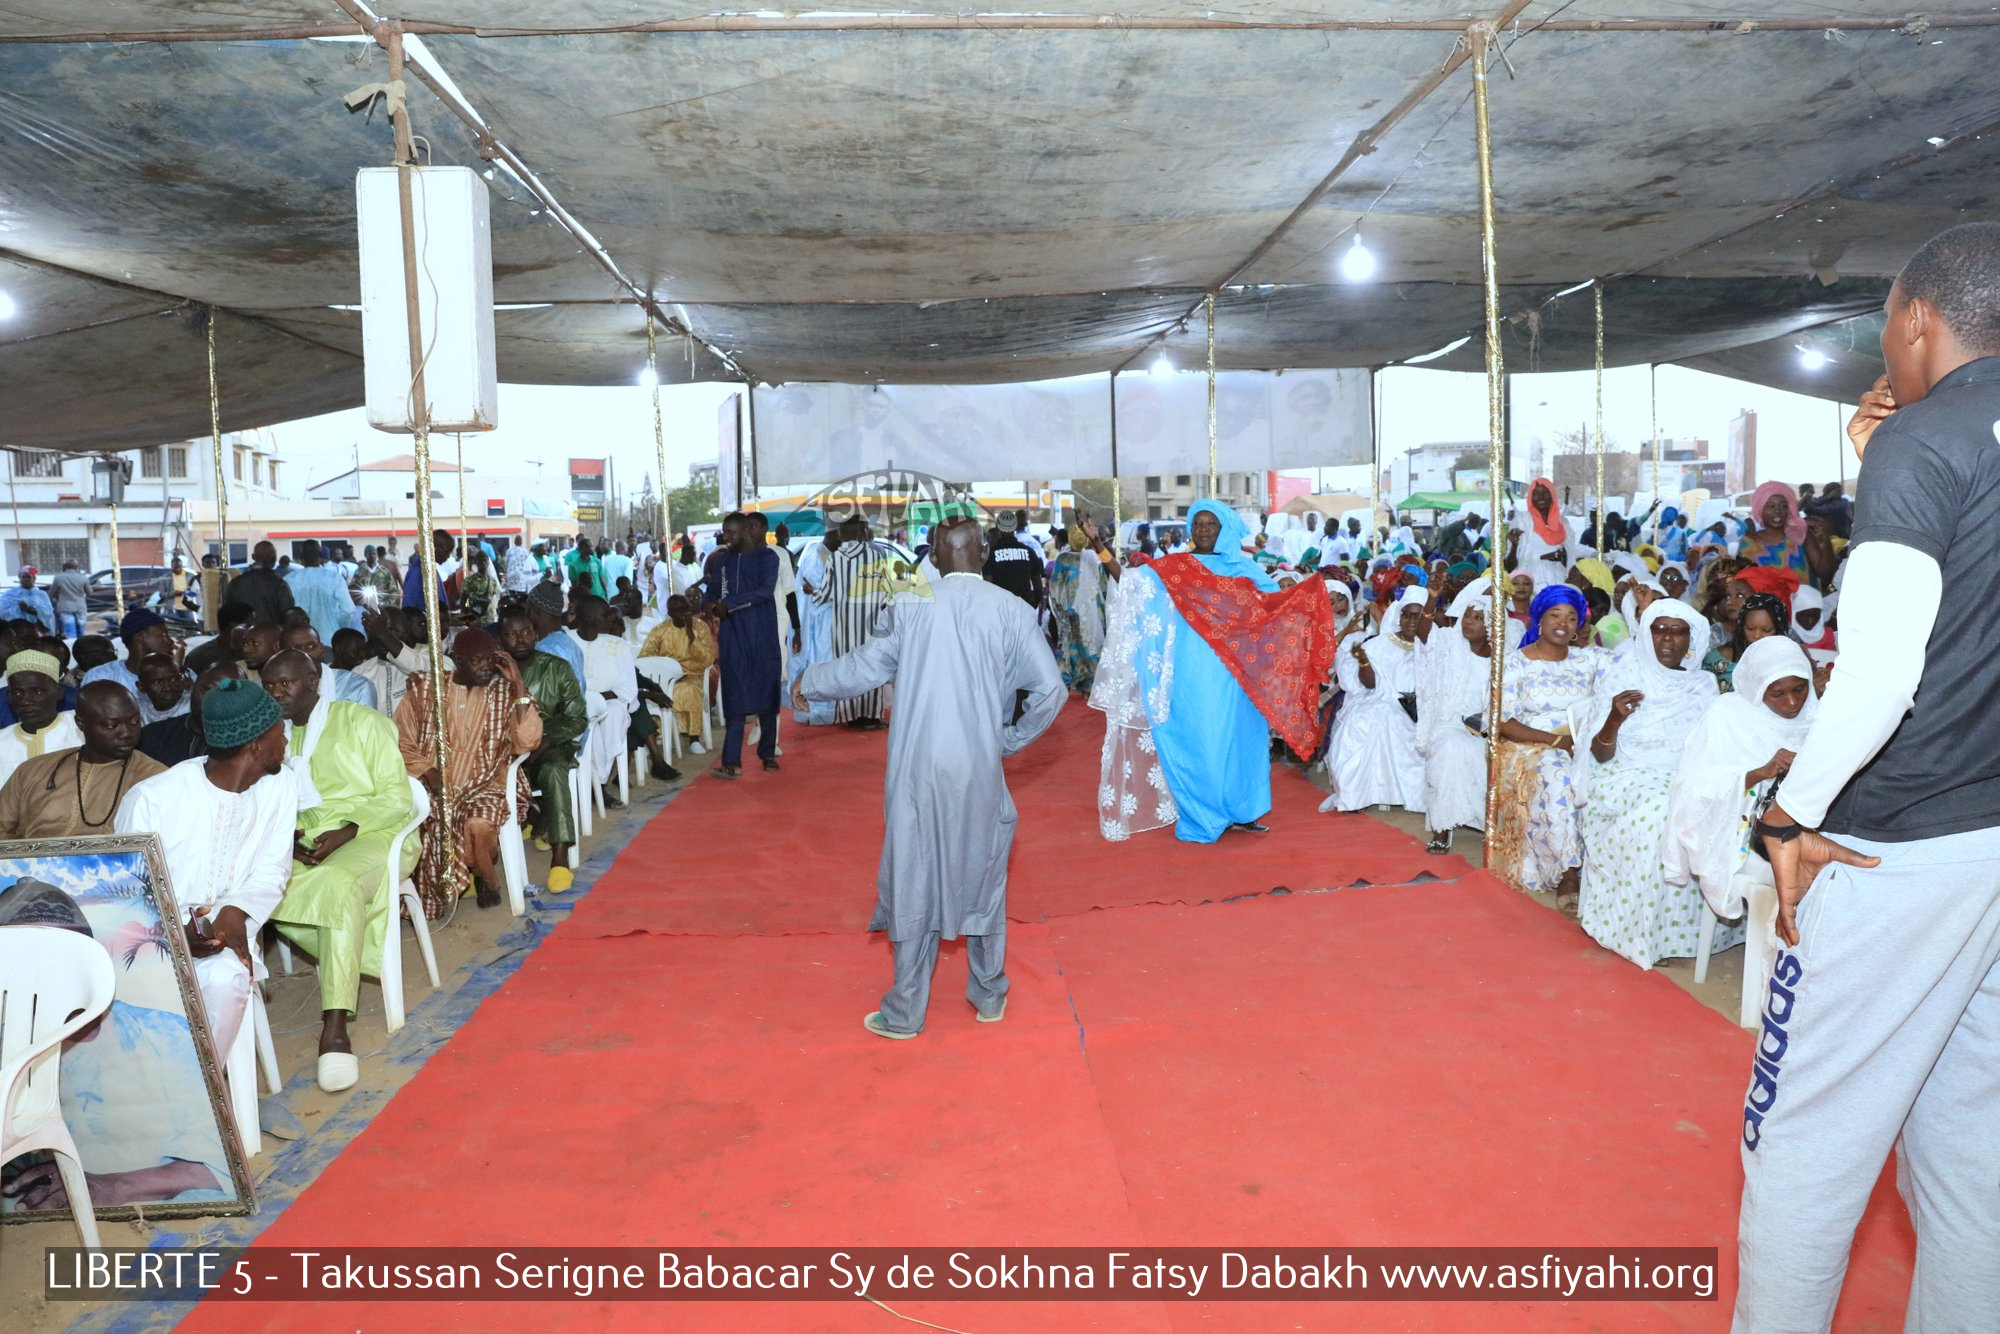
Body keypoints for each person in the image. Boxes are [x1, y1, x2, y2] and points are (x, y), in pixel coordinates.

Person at [1728, 223, 2000, 1330]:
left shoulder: (1922, 442)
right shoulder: (1930, 441)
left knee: (1800, 1141)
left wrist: (1784, 814)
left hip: (1899, 843)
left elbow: (1882, 672)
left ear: (1916, 319)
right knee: (1971, 1153)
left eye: (1885, 324)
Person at [793, 517, 1064, 1038]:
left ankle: (906, 1012)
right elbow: (1050, 693)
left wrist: (812, 680)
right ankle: (989, 995)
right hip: (977, 768)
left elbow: (866, 667)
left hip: (915, 768)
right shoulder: (1011, 610)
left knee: (912, 874)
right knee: (984, 875)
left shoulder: (910, 600)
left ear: (933, 559)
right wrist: (1006, 741)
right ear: (983, 555)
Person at [1091, 500, 1336, 843]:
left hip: (1236, 672)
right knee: (1200, 737)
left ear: (1223, 530)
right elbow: (1132, 585)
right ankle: (1203, 813)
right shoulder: (1175, 567)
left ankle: (1242, 811)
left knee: (1240, 741)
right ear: (1190, 529)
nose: (1204, 530)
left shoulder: (1246, 569)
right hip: (1191, 670)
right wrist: (1100, 548)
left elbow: (1272, 609)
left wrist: (1304, 596)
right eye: (1198, 524)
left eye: (1211, 524)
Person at [115, 678, 296, 1089]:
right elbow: (125, 901)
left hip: (228, 926)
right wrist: (174, 936)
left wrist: (234, 913)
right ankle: (181, 1094)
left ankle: (192, 1094)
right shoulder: (153, 800)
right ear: (255, 745)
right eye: (279, 733)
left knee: (227, 976)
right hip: (148, 941)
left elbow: (273, 870)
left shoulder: (281, 784)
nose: (286, 741)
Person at [259, 648, 417, 1093]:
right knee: (253, 886)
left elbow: (396, 797)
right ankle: (343, 957)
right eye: (268, 685)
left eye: (285, 684)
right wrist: (290, 838)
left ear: (313, 681)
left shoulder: (364, 723)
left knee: (339, 886)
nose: (276, 693)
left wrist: (347, 830)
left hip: (376, 834)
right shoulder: (271, 736)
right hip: (302, 839)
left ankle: (334, 1028)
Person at [1573, 598, 1724, 968]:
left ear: (1692, 638)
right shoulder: (1625, 677)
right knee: (1661, 813)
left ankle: (1693, 933)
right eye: (1660, 629)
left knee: (1719, 806)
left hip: (1685, 773)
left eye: (1678, 630)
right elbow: (1600, 754)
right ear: (1646, 635)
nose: (1669, 639)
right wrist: (1614, 718)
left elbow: (1714, 748)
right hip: (1623, 774)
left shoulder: (1703, 685)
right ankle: (1641, 932)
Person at [1660, 634, 1815, 959]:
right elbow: (1693, 790)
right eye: (1777, 693)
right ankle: (1782, 969)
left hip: (1803, 833)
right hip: (1739, 838)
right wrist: (1761, 771)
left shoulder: (1817, 717)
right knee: (1808, 877)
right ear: (1758, 689)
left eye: (1800, 689)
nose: (1791, 703)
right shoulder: (1727, 715)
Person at [394, 627, 540, 911]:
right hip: (431, 782)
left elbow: (528, 740)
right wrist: (427, 771)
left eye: (490, 660)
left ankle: (486, 878)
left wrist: (518, 684)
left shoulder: (503, 693)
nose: (486, 667)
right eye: (477, 661)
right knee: (414, 819)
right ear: (457, 660)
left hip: (486, 782)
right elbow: (400, 737)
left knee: (479, 823)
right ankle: (435, 890)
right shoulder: (427, 689)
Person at [1491, 585, 1603, 911]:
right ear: (1539, 618)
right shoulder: (1515, 664)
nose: (1562, 624)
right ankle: (1568, 870)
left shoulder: (1588, 660)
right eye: (1555, 615)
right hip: (1529, 746)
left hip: (1580, 741)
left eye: (1571, 618)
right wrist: (1557, 742)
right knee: (1557, 771)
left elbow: (1638, 665)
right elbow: (1502, 722)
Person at [1413, 577, 1519, 853]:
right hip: (1450, 724)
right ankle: (1443, 828)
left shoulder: (1502, 658)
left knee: (1496, 753)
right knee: (1452, 747)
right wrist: (1432, 598)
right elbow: (1424, 634)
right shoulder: (1449, 644)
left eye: (1477, 618)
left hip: (1487, 728)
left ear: (1492, 625)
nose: (1468, 622)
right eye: (1467, 616)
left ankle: (1487, 824)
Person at [0, 681, 165, 839]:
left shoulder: (155, 777)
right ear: (80, 723)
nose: (126, 733)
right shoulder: (33, 770)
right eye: (111, 725)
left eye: (135, 722)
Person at [498, 606, 587, 890]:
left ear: (536, 634)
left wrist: (544, 738)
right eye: (512, 634)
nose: (520, 639)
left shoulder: (556, 667)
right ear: (502, 640)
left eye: (525, 632)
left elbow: (577, 718)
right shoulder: (494, 673)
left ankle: (559, 857)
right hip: (507, 752)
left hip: (550, 745)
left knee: (553, 770)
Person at [1325, 588, 1427, 816]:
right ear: (1399, 617)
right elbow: (1369, 685)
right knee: (1366, 723)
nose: (1411, 621)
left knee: (1402, 725)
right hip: (1379, 700)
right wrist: (1363, 662)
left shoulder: (1433, 647)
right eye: (1407, 615)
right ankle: (1357, 795)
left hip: (1420, 709)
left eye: (1417, 615)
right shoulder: (1378, 644)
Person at [703, 512, 782, 777]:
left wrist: (729, 605)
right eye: (724, 532)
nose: (726, 537)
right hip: (732, 636)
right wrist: (708, 604)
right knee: (734, 693)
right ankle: (731, 760)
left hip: (761, 633)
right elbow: (712, 593)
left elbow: (764, 591)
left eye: (731, 532)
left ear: (747, 531)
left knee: (767, 691)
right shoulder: (723, 560)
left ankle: (767, 752)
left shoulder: (768, 558)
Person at [812, 515, 895, 730]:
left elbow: (824, 595)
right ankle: (871, 716)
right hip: (871, 623)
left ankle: (850, 714)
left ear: (841, 533)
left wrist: (812, 592)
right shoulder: (875, 556)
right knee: (871, 663)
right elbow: (888, 592)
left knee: (846, 665)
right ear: (862, 532)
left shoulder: (834, 558)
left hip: (842, 626)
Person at [1046, 517, 1117, 694]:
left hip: (1070, 612)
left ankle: (1073, 682)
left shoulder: (1063, 559)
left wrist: (1058, 611)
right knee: (1091, 645)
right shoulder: (1095, 558)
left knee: (1072, 646)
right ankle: (1091, 682)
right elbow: (1103, 586)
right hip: (1093, 611)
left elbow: (1055, 589)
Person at [79, 609, 187, 723]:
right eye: (163, 635)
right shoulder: (100, 677)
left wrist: (176, 670)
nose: (170, 641)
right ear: (140, 638)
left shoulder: (184, 673)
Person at [641, 595, 717, 750]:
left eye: (685, 610)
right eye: (677, 611)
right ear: (669, 612)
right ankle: (660, 735)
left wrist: (691, 636)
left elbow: (708, 659)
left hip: (693, 675)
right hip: (666, 678)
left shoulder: (701, 628)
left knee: (688, 691)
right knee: (657, 694)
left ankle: (694, 739)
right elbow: (644, 657)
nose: (682, 614)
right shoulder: (660, 630)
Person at [1739, 480, 1838, 590]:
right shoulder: (1747, 544)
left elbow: (1826, 574)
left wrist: (1825, 537)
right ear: (1760, 509)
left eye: (1784, 506)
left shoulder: (1801, 536)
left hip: (1805, 606)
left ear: (1789, 510)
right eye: (1771, 506)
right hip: (1765, 607)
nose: (1778, 511)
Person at [0, 649, 81, 784]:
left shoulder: (81, 730)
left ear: (59, 691)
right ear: (9, 696)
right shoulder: (2, 742)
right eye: (18, 693)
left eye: (37, 691)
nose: (26, 701)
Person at [140, 662, 240, 766]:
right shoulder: (152, 736)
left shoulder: (249, 747)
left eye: (228, 695)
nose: (214, 702)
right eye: (208, 690)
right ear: (192, 688)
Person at [790, 530, 839, 727]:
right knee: (819, 661)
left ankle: (826, 711)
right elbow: (813, 589)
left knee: (828, 662)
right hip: (817, 621)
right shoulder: (814, 554)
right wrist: (839, 592)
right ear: (832, 535)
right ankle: (814, 712)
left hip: (827, 619)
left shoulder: (828, 554)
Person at [279, 623, 378, 711]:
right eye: (295, 649)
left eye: (311, 647)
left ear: (321, 648)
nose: (305, 654)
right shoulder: (277, 692)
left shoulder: (358, 687)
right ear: (281, 655)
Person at [524, 580, 585, 694]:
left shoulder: (544, 651)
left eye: (527, 609)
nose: (525, 615)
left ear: (536, 611)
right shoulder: (571, 645)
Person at [286, 543, 353, 647]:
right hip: (330, 639)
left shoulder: (289, 579)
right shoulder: (335, 578)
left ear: (301, 558)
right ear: (321, 557)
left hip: (299, 643)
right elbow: (348, 611)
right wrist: (340, 628)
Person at [1510, 479, 1572, 590]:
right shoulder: (1522, 521)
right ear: (1530, 497)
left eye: (1545, 492)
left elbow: (1571, 558)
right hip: (1529, 583)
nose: (1540, 497)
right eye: (1535, 494)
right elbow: (1509, 565)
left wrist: (1562, 557)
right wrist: (1514, 545)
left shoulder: (1563, 523)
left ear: (1552, 495)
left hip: (1558, 579)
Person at [982, 509, 1045, 608]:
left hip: (1001, 611)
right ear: (1015, 527)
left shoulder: (991, 555)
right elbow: (1038, 588)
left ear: (998, 527)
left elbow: (987, 587)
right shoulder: (1029, 552)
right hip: (1024, 609)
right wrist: (1032, 607)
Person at [230, 540, 295, 627]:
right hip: (271, 637)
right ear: (274, 558)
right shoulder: (279, 584)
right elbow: (287, 614)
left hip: (242, 637)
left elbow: (228, 615)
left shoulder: (235, 583)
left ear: (253, 557)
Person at [402, 529, 455, 614]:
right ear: (436, 548)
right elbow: (410, 611)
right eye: (447, 552)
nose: (448, 556)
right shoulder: (417, 573)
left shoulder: (432, 569)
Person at [134, 651, 191, 725]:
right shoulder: (137, 711)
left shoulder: (193, 707)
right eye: (157, 682)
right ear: (141, 687)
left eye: (174, 679)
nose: (168, 688)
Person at [0, 566, 55, 636]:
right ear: (19, 578)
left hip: (37, 630)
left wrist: (30, 610)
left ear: (34, 578)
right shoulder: (10, 594)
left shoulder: (41, 594)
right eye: (23, 577)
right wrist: (18, 609)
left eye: (28, 577)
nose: (26, 579)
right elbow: (2, 611)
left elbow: (48, 612)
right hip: (16, 630)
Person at [458, 548, 500, 625]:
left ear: (488, 562)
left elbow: (494, 597)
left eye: (485, 560)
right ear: (476, 562)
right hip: (475, 619)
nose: (482, 562)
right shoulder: (469, 580)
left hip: (490, 618)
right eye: (480, 560)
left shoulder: (492, 581)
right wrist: (464, 614)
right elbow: (463, 599)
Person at [50, 560, 89, 638]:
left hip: (65, 607)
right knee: (81, 631)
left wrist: (57, 598)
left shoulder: (58, 578)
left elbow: (51, 593)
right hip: (80, 606)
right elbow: (90, 592)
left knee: (69, 632)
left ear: (64, 567)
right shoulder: (83, 578)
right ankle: (81, 647)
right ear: (77, 567)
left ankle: (71, 648)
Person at [562, 535, 608, 602]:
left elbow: (602, 580)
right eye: (591, 546)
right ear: (583, 548)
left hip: (599, 597)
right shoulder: (573, 566)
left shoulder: (597, 561)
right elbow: (574, 585)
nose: (594, 548)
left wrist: (606, 596)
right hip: (583, 601)